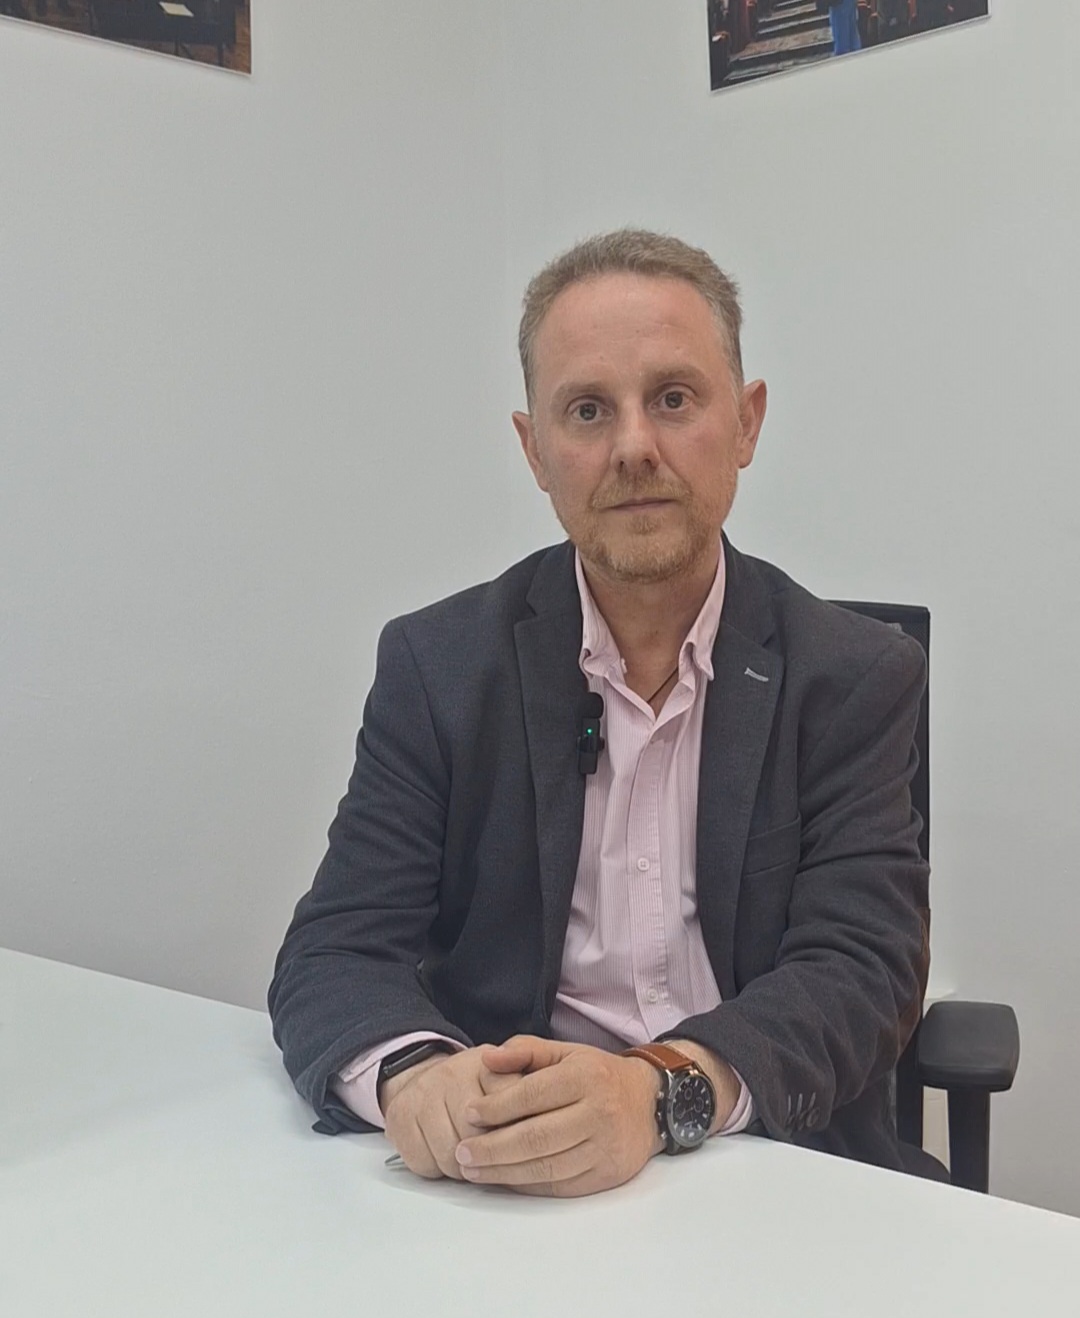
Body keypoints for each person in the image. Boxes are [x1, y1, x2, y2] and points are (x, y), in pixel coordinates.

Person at [269, 229, 934, 1198]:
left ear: (746, 423)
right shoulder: (438, 666)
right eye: (587, 410)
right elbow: (337, 947)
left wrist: (657, 1093)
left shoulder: (855, 675)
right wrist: (417, 1077)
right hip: (511, 1172)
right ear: (535, 450)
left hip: (767, 1165)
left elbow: (862, 971)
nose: (633, 448)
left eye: (674, 398)